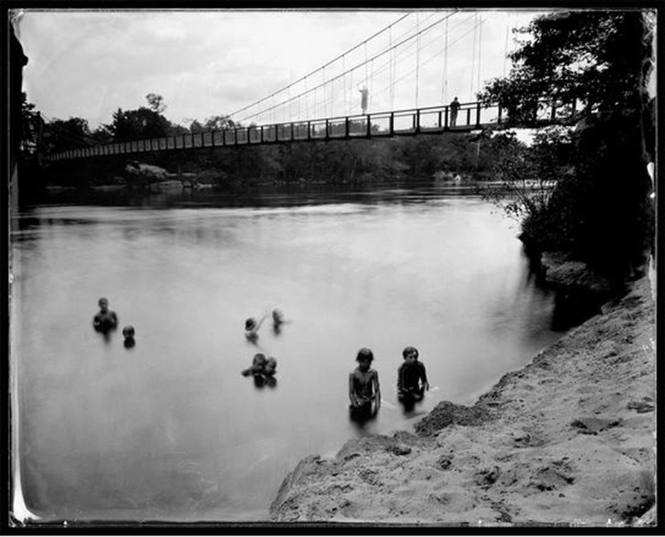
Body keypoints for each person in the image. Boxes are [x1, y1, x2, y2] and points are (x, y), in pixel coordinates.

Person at [348, 347, 380, 422]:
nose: (368, 364)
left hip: (370, 399)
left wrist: (377, 405)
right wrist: (356, 405)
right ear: (359, 361)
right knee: (358, 416)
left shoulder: (373, 372)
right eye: (366, 362)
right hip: (359, 401)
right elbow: (351, 393)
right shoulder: (353, 374)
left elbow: (377, 390)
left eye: (370, 362)